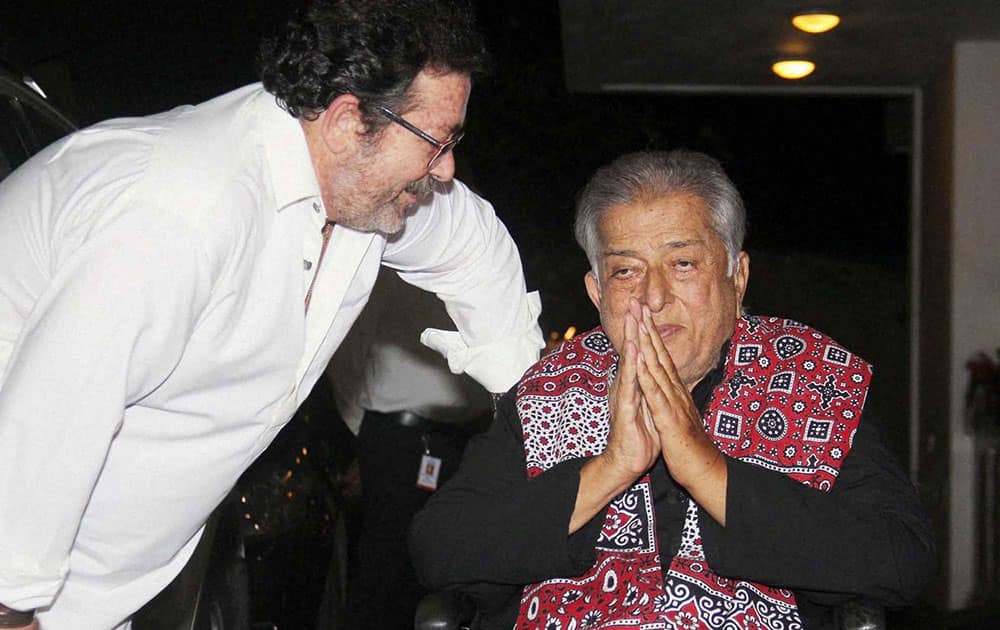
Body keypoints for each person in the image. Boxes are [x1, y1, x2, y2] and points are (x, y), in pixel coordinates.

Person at [0, 1, 544, 628]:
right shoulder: (182, 213)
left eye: (454, 142)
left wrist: (530, 416)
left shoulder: (361, 190)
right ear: (347, 122)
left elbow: (473, 243)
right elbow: (50, 419)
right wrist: (15, 609)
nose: (446, 168)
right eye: (435, 141)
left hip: (111, 591)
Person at [410, 150, 936, 630]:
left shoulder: (814, 378)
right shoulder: (554, 386)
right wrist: (611, 467)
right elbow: (440, 549)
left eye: (683, 264)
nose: (654, 297)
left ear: (738, 275)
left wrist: (705, 467)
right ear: (596, 292)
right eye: (625, 271)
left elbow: (901, 561)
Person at [328, 267, 494, 629]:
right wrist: (365, 439)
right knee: (386, 566)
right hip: (396, 438)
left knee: (449, 571)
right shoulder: (388, 268)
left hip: (461, 441)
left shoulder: (477, 264)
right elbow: (346, 352)